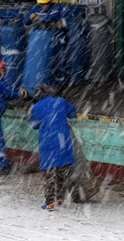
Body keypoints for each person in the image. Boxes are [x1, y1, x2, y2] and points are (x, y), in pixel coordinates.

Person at [29, 83, 77, 212]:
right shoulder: (60, 102)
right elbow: (72, 112)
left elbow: (34, 125)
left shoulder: (36, 107)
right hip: (62, 141)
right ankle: (60, 198)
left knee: (49, 174)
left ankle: (49, 202)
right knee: (62, 171)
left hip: (47, 143)